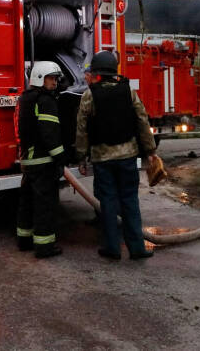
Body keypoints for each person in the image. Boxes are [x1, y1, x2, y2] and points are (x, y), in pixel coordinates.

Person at [75, 51, 157, 260]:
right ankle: (137, 248)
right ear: (114, 70)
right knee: (130, 201)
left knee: (108, 204)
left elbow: (82, 130)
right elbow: (142, 121)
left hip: (102, 159)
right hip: (127, 156)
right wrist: (150, 151)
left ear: (97, 71)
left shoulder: (89, 95)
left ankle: (112, 248)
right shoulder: (128, 92)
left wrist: (81, 157)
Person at [15, 61, 67, 258]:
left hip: (28, 161)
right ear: (39, 78)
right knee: (45, 205)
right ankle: (45, 246)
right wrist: (61, 158)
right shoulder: (45, 101)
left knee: (26, 203)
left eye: (55, 78)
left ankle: (24, 240)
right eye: (51, 78)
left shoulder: (25, 99)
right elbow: (50, 133)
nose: (54, 82)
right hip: (43, 161)